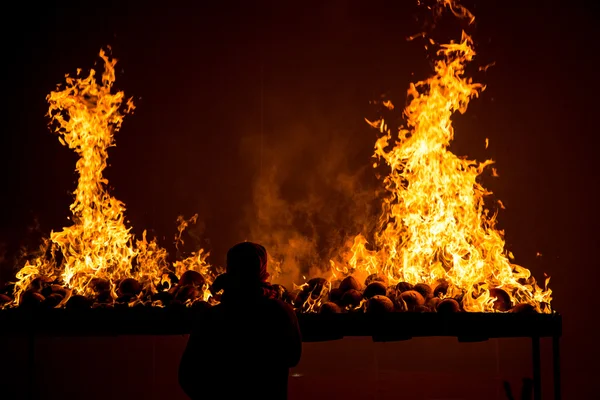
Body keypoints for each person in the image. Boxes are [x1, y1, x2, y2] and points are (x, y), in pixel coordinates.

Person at [179, 242, 302, 399]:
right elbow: (293, 357)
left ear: (230, 269)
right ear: (262, 268)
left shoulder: (212, 317)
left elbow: (187, 375)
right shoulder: (281, 312)